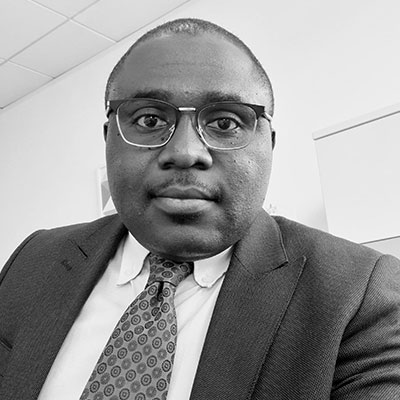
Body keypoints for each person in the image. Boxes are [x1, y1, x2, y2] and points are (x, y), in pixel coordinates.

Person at [0, 18, 399, 400]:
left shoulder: (359, 296)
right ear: (109, 139)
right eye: (150, 119)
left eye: (225, 123)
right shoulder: (33, 261)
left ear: (269, 145)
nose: (186, 152)